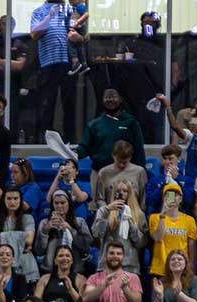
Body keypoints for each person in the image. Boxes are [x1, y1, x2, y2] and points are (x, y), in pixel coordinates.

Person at [30, 0, 81, 142]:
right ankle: (44, 140)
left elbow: (79, 30)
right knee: (47, 103)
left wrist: (78, 37)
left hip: (68, 63)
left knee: (69, 104)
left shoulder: (68, 9)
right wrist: (49, 17)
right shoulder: (39, 11)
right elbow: (34, 34)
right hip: (48, 64)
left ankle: (70, 140)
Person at [75, 89, 146, 173]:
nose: (110, 99)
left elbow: (139, 150)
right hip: (99, 172)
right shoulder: (94, 125)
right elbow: (84, 148)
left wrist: (141, 172)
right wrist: (73, 153)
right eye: (107, 97)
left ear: (120, 99)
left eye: (113, 97)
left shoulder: (131, 122)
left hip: (125, 173)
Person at [90, 179, 147, 274]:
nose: (122, 193)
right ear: (114, 194)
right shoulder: (105, 211)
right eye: (118, 191)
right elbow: (96, 234)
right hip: (106, 264)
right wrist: (107, 211)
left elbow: (141, 243)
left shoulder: (139, 214)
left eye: (125, 191)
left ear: (130, 194)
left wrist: (129, 221)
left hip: (129, 265)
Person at [0, 183, 37, 285]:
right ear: (3, 200)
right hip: (1, 263)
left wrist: (2, 237)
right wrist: (21, 240)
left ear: (20, 200)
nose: (12, 202)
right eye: (9, 199)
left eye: (15, 198)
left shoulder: (27, 218)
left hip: (25, 264)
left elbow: (29, 240)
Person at [149, 183, 197, 282]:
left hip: (181, 269)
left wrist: (191, 265)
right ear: (163, 198)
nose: (172, 197)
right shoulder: (154, 218)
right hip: (161, 269)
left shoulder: (189, 220)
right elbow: (158, 238)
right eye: (169, 194)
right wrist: (162, 215)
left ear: (180, 199)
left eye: (176, 194)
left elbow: (191, 245)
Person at [35, 192, 93, 276]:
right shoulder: (44, 223)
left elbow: (85, 247)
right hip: (50, 271)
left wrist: (71, 230)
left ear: (69, 204)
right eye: (56, 203)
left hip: (76, 270)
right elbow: (39, 251)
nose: (59, 206)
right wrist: (45, 231)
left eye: (63, 203)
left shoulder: (79, 222)